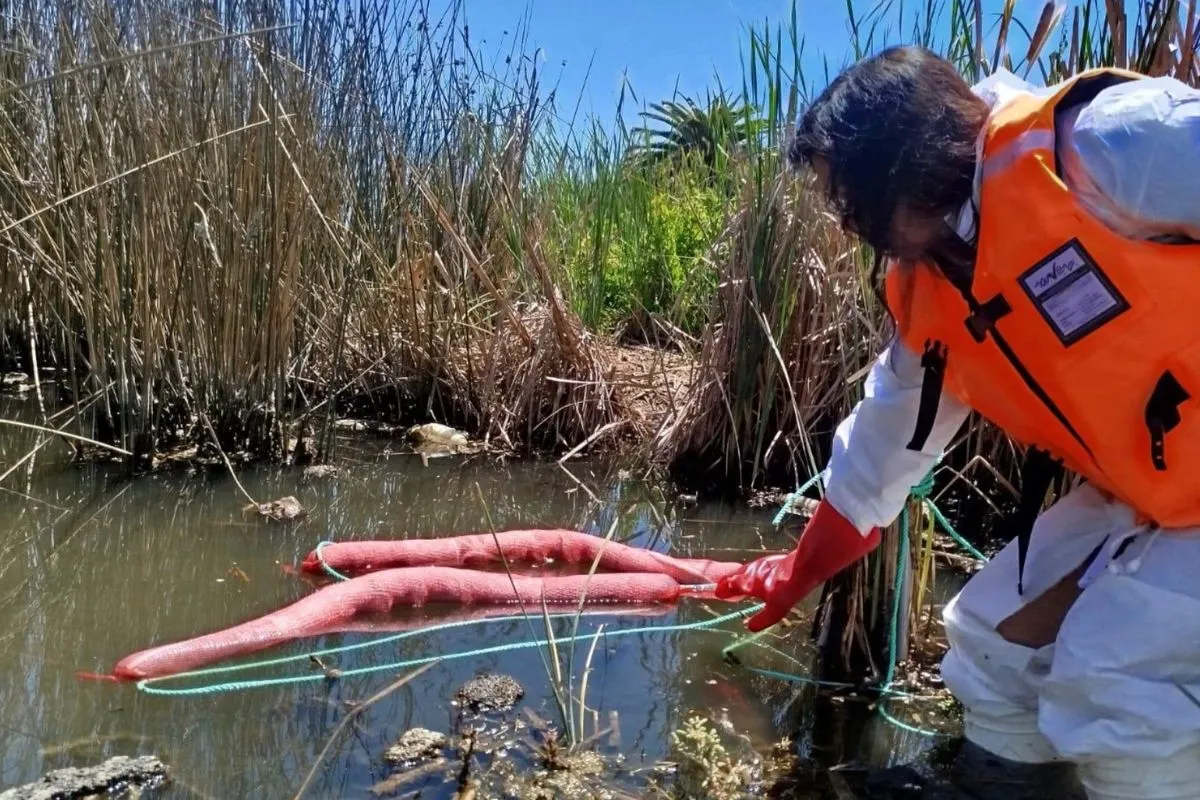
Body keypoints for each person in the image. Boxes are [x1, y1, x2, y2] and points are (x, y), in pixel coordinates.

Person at [715, 46, 1200, 800]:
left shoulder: (1103, 144)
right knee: (990, 636)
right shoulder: (931, 288)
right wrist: (794, 575)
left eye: (849, 201)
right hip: (1165, 499)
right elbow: (874, 462)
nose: (845, 227)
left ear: (899, 164)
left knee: (1114, 673)